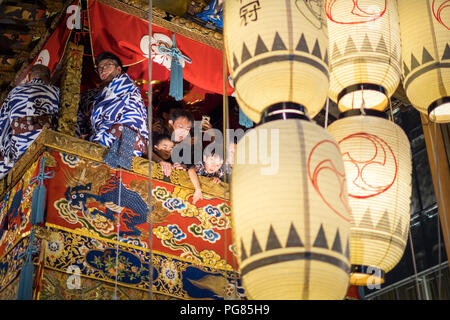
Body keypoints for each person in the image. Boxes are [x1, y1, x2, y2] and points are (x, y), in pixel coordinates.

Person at [0, 64, 60, 179]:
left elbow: (2, 124)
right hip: (45, 146)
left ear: (28, 77)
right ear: (47, 78)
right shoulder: (55, 91)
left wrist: (7, 154)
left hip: (18, 149)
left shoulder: (14, 92)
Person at [89, 52, 149, 157]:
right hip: (106, 136)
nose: (103, 69)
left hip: (125, 138)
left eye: (108, 65)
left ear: (119, 69)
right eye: (100, 68)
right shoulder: (103, 93)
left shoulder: (125, 85)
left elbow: (130, 116)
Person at [152, 107, 194, 176]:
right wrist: (160, 161)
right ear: (171, 123)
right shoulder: (158, 136)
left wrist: (183, 167)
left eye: (187, 129)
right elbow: (146, 150)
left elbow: (189, 165)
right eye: (180, 127)